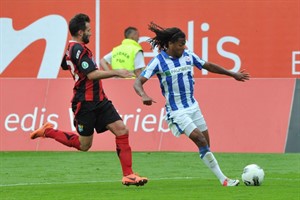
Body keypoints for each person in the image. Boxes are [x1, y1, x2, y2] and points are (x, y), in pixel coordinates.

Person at [30, 13, 148, 186]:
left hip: (100, 100)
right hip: (84, 103)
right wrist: (117, 71)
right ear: (80, 32)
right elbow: (92, 74)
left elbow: (64, 64)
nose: (91, 34)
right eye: (88, 30)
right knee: (84, 145)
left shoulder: (73, 48)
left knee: (122, 130)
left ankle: (128, 175)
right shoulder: (77, 49)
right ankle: (48, 132)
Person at [134, 22, 250, 186]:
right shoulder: (158, 61)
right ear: (170, 44)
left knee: (206, 145)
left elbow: (207, 65)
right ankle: (224, 180)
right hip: (177, 111)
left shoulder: (188, 55)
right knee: (201, 140)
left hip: (193, 107)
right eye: (181, 44)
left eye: (184, 43)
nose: (184, 47)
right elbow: (137, 82)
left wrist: (232, 74)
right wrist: (143, 95)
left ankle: (219, 175)